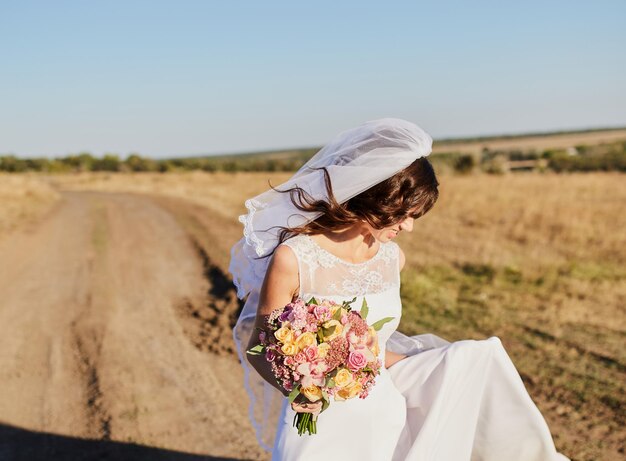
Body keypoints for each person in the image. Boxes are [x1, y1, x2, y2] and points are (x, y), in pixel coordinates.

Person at [229, 118, 570, 460]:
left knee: (471, 359)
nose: (408, 227)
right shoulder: (295, 258)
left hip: (380, 419)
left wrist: (438, 366)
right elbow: (260, 346)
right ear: (376, 199)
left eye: (415, 217)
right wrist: (300, 392)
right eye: (403, 214)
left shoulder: (393, 259)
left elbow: (373, 352)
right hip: (315, 425)